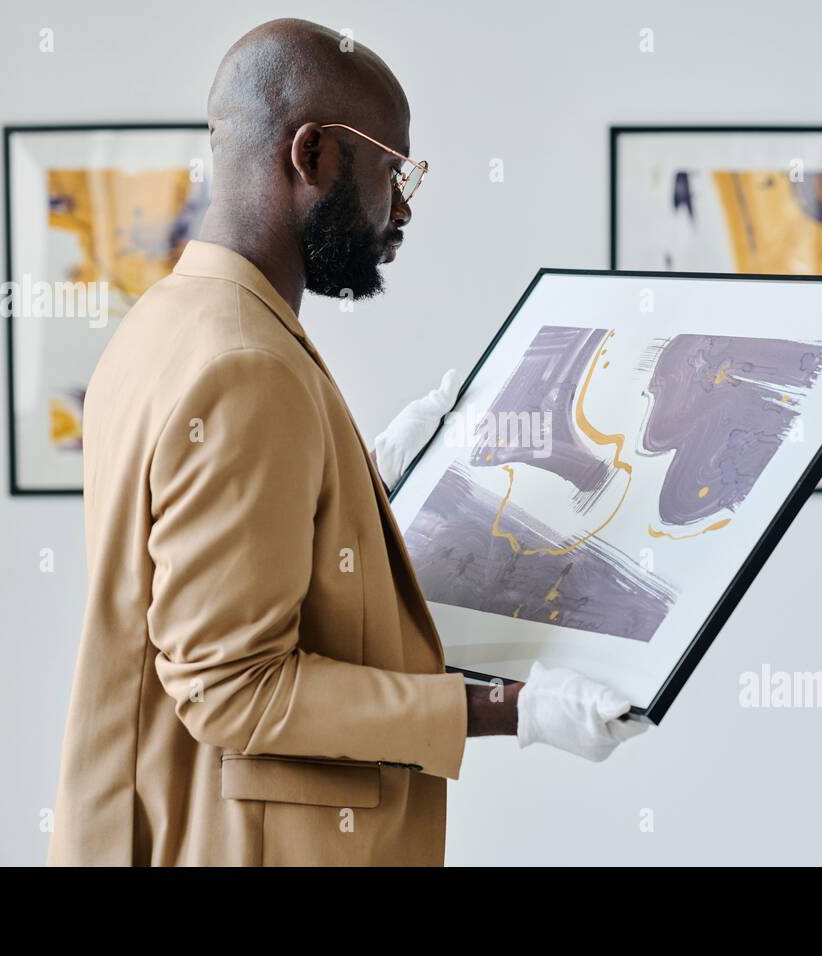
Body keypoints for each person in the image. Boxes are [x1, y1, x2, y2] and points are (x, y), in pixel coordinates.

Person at [46, 17, 645, 868]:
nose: (401, 208)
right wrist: (512, 709)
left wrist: (358, 485)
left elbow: (204, 569)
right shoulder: (248, 363)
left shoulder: (170, 321)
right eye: (393, 172)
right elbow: (233, 689)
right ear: (315, 156)